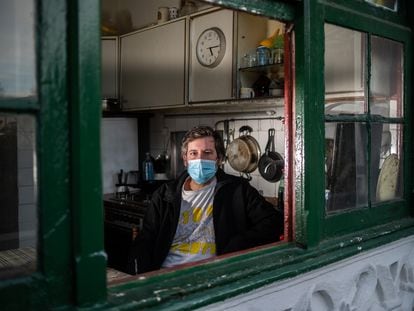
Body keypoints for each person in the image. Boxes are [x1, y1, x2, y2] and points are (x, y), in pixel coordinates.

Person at [128, 125, 283, 274]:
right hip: (168, 274)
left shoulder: (238, 190)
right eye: (193, 153)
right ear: (185, 159)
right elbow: (145, 240)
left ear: (219, 159)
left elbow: (274, 222)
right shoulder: (165, 194)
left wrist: (238, 244)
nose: (200, 160)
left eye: (207, 152)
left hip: (215, 275)